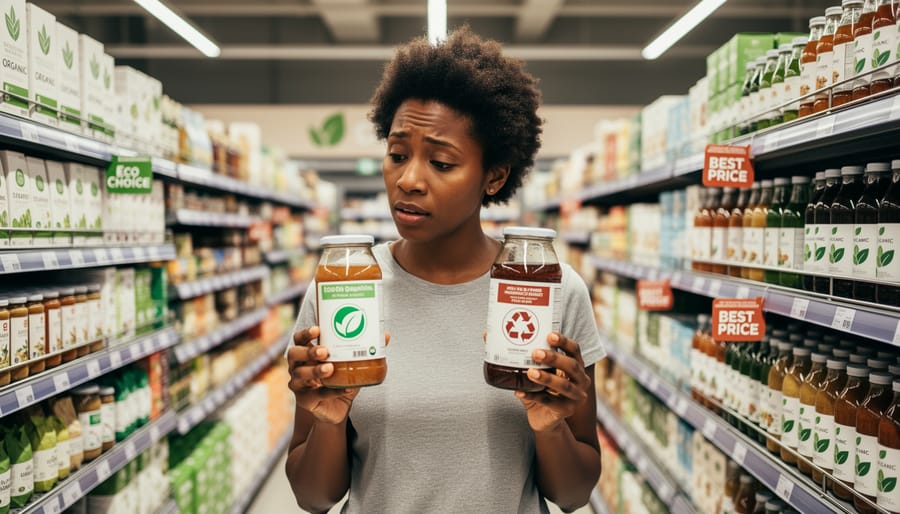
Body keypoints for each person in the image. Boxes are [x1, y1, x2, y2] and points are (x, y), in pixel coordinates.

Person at [285, 26, 605, 513]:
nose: (408, 180)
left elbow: (574, 495)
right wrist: (329, 420)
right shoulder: (347, 288)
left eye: (441, 162)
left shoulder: (551, 288)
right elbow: (313, 498)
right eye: (396, 155)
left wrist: (550, 426)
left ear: (494, 176)